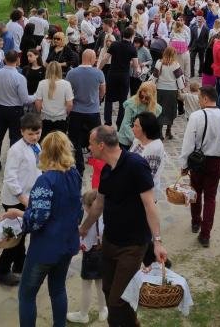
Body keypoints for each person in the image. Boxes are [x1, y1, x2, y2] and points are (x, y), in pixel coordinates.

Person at [79, 125, 167, 327]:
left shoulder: (136, 165)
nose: (88, 148)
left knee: (117, 302)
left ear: (101, 145)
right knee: (109, 291)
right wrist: (83, 229)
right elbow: (98, 205)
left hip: (132, 245)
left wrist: (158, 242)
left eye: (90, 144)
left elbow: (149, 205)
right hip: (110, 241)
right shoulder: (107, 170)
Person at [0, 130, 82, 327]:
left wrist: (18, 214)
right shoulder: (74, 174)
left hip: (46, 248)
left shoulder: (45, 181)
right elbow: (77, 210)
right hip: (68, 243)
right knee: (58, 288)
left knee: (27, 294)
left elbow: (38, 219)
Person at [178, 86, 220, 247]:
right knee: (210, 197)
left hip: (198, 161)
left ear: (205, 98)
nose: (198, 102)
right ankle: (205, 234)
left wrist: (184, 164)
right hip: (216, 161)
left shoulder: (197, 116)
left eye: (199, 99)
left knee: (196, 193)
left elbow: (188, 143)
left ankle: (196, 222)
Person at [0, 113, 43, 287]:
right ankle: (2, 271)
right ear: (22, 132)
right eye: (31, 134)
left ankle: (20, 266)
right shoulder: (16, 150)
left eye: (37, 133)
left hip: (29, 195)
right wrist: (22, 198)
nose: (35, 137)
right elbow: (10, 177)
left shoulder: (36, 146)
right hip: (15, 199)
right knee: (14, 237)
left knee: (22, 235)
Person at [0, 50, 36, 174]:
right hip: (15, 110)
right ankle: (13, 165)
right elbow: (25, 99)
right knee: (15, 138)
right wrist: (36, 96)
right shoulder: (19, 77)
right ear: (18, 60)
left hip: (0, 108)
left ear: (4, 59)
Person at [66, 190, 108, 324]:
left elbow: (84, 244)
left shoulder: (88, 223)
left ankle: (83, 314)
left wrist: (79, 244)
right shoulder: (104, 219)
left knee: (86, 285)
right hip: (103, 254)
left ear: (89, 206)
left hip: (91, 256)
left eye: (84, 205)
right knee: (100, 283)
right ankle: (103, 310)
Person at [66, 49, 106, 175]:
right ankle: (96, 160)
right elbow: (102, 90)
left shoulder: (72, 73)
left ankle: (79, 164)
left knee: (74, 139)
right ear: (92, 58)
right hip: (93, 111)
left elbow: (68, 92)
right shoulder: (99, 73)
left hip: (76, 111)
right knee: (98, 137)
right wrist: (98, 100)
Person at [99, 27, 139, 129]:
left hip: (112, 74)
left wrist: (99, 69)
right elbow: (135, 64)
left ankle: (107, 122)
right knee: (123, 100)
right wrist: (135, 73)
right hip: (124, 76)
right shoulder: (132, 48)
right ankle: (119, 122)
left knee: (108, 99)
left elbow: (105, 58)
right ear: (131, 36)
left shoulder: (114, 44)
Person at [130, 111, 167, 200]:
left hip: (143, 196)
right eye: (133, 125)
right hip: (132, 189)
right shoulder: (138, 140)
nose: (132, 129)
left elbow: (147, 178)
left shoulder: (154, 148)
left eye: (136, 126)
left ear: (145, 129)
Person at [152, 46, 185, 140]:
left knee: (160, 110)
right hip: (172, 91)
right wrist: (182, 88)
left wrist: (151, 84)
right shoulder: (175, 64)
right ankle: (168, 131)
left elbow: (154, 76)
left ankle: (160, 133)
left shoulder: (159, 63)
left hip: (160, 90)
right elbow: (179, 78)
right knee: (171, 111)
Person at [34, 62, 74, 140]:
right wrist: (66, 113)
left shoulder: (42, 83)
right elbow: (70, 104)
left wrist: (39, 112)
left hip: (45, 118)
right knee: (60, 143)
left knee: (45, 142)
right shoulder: (66, 84)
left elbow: (38, 102)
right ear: (60, 71)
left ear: (47, 70)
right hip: (61, 118)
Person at [118, 81, 162, 149]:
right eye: (141, 96)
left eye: (147, 98)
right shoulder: (131, 104)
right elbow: (126, 124)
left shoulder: (155, 108)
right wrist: (136, 140)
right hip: (126, 140)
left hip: (143, 142)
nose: (143, 99)